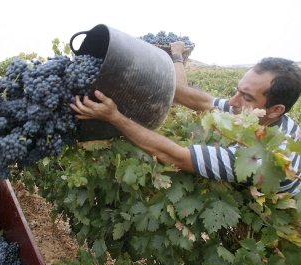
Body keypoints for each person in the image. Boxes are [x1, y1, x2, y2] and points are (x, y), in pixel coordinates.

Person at [70, 42, 301, 195]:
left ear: (275, 110)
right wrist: (133, 73)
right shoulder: (252, 113)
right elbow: (201, 101)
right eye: (238, 90)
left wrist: (114, 117)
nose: (232, 102)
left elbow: (175, 156)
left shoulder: (263, 159)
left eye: (246, 96)